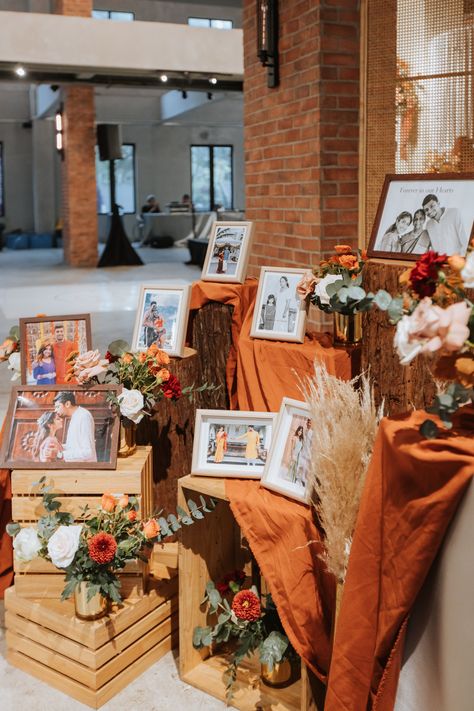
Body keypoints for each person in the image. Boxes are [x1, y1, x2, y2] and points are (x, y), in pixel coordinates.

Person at [49, 391, 97, 462]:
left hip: (84, 470)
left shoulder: (83, 416)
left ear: (67, 404)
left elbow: (88, 452)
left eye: (58, 406)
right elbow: (75, 446)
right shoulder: (76, 416)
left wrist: (60, 454)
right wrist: (59, 446)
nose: (55, 410)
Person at [297, 418, 313, 486]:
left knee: (305, 467)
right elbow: (302, 440)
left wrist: (310, 452)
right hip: (303, 449)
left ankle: (303, 479)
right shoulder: (305, 431)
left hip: (308, 451)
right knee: (300, 463)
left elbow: (312, 443)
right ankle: (297, 477)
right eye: (308, 422)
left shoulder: (312, 432)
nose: (308, 424)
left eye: (310, 423)